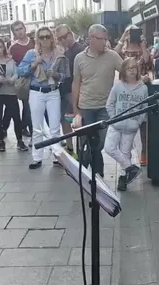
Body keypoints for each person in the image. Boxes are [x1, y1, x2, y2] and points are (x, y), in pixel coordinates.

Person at [72, 24, 123, 177]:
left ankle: (82, 167)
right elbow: (76, 84)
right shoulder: (79, 58)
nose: (106, 43)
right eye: (102, 39)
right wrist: (76, 111)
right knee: (85, 143)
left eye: (106, 39)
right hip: (85, 107)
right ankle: (96, 174)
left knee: (101, 142)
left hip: (105, 108)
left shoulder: (112, 56)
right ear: (92, 39)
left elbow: (127, 72)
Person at [18, 26, 69, 170]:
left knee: (54, 127)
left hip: (53, 92)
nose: (45, 39)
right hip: (36, 92)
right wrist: (34, 64)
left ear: (52, 37)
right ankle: (37, 158)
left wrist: (56, 75)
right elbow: (20, 70)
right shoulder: (31, 53)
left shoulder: (58, 53)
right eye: (42, 37)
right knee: (37, 127)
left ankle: (57, 156)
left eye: (48, 36)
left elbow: (65, 75)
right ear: (37, 39)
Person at [104, 57, 147, 191]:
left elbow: (144, 108)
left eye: (134, 68)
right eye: (129, 68)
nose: (132, 71)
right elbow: (109, 104)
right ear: (123, 70)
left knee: (125, 151)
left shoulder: (143, 88)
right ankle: (130, 167)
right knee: (109, 148)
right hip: (116, 124)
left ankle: (123, 178)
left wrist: (138, 122)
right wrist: (113, 118)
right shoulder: (118, 86)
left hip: (131, 127)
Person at [114, 25, 151, 166]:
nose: (132, 35)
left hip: (141, 90)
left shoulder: (142, 47)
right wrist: (123, 38)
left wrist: (142, 45)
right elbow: (114, 53)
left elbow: (147, 60)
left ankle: (144, 152)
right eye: (130, 32)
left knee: (143, 124)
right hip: (125, 91)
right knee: (126, 124)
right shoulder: (123, 49)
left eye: (135, 32)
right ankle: (125, 153)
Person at [55, 24, 85, 156]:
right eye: (59, 38)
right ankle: (71, 148)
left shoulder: (80, 50)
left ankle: (79, 149)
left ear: (71, 33)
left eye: (64, 36)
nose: (62, 40)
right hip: (65, 91)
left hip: (75, 92)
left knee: (76, 121)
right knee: (66, 120)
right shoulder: (65, 52)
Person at [8, 20, 35, 138]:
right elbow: (12, 65)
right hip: (24, 80)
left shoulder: (34, 43)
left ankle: (24, 125)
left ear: (25, 28)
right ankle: (30, 129)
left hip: (38, 78)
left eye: (21, 28)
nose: (19, 32)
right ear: (14, 32)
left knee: (32, 106)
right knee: (27, 105)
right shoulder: (13, 48)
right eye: (16, 30)